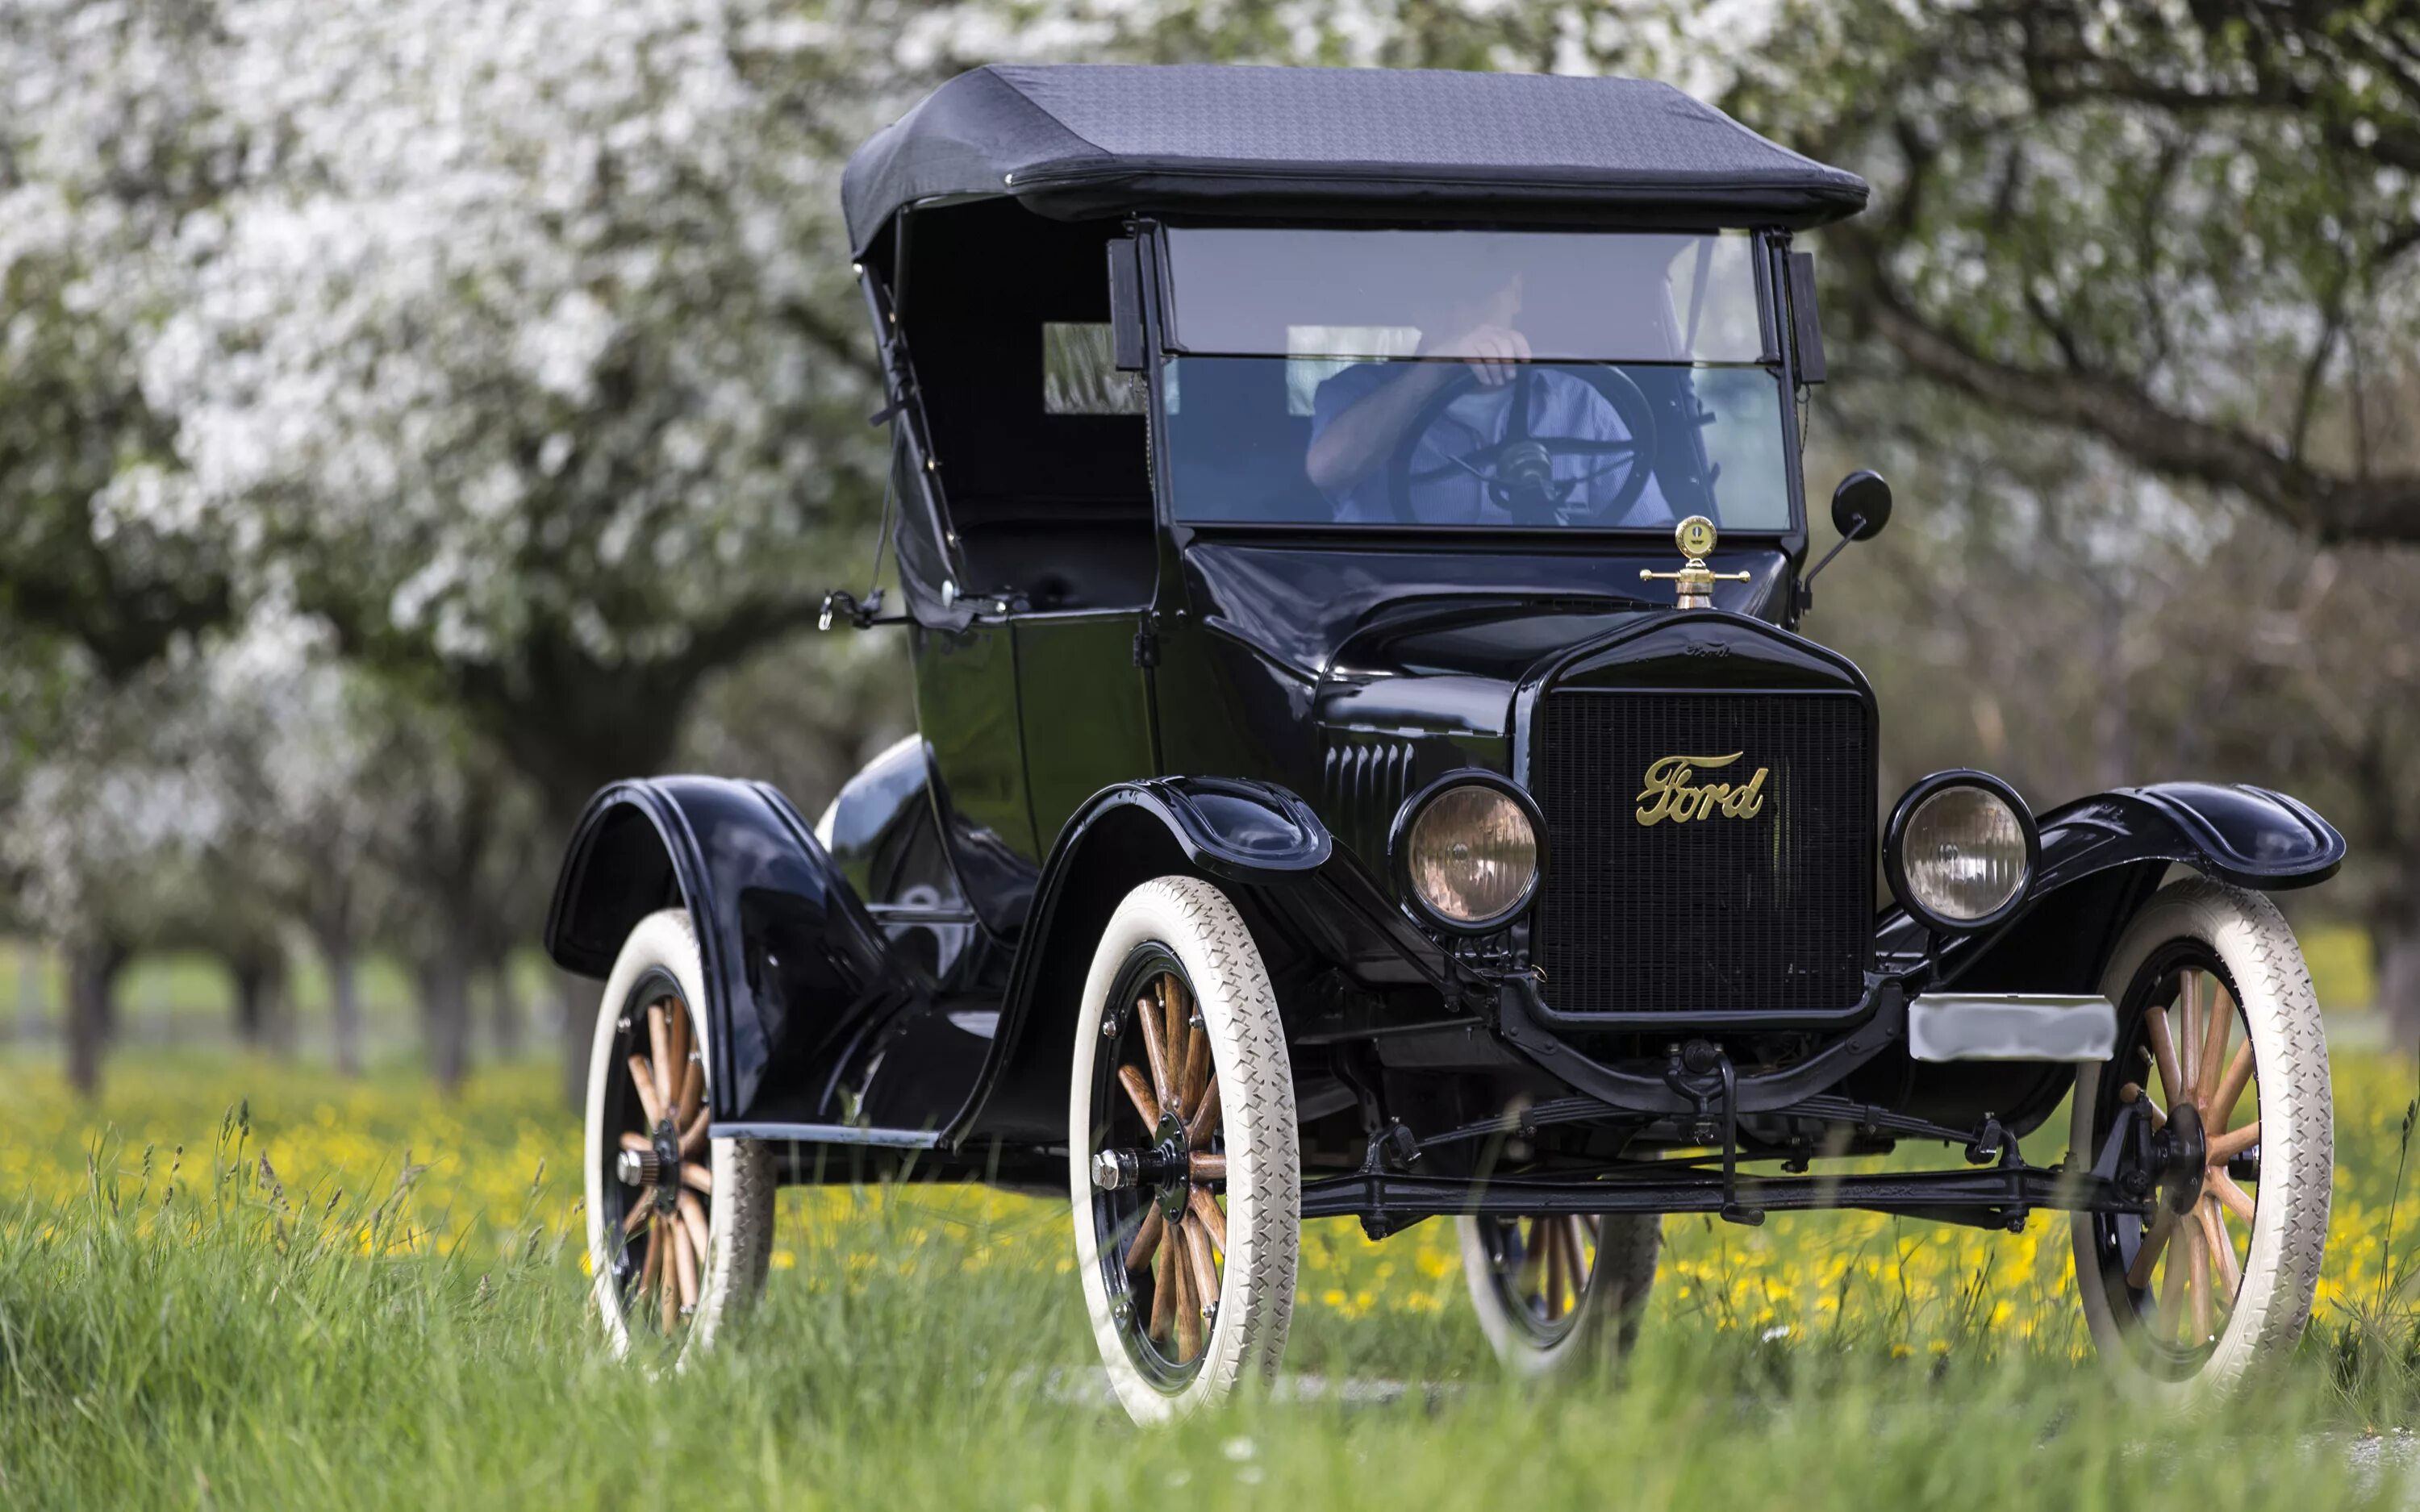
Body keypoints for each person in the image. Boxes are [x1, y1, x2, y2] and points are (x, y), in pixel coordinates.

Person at [1302, 273, 1671, 526]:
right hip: (1394, 612)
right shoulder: (1355, 393)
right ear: (1417, 307)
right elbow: (1328, 469)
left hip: (1553, 615)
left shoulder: (1580, 403)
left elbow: (1653, 534)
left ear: (1516, 293)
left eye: (1480, 292)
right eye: (1445, 294)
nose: (1464, 313)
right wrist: (1433, 370)